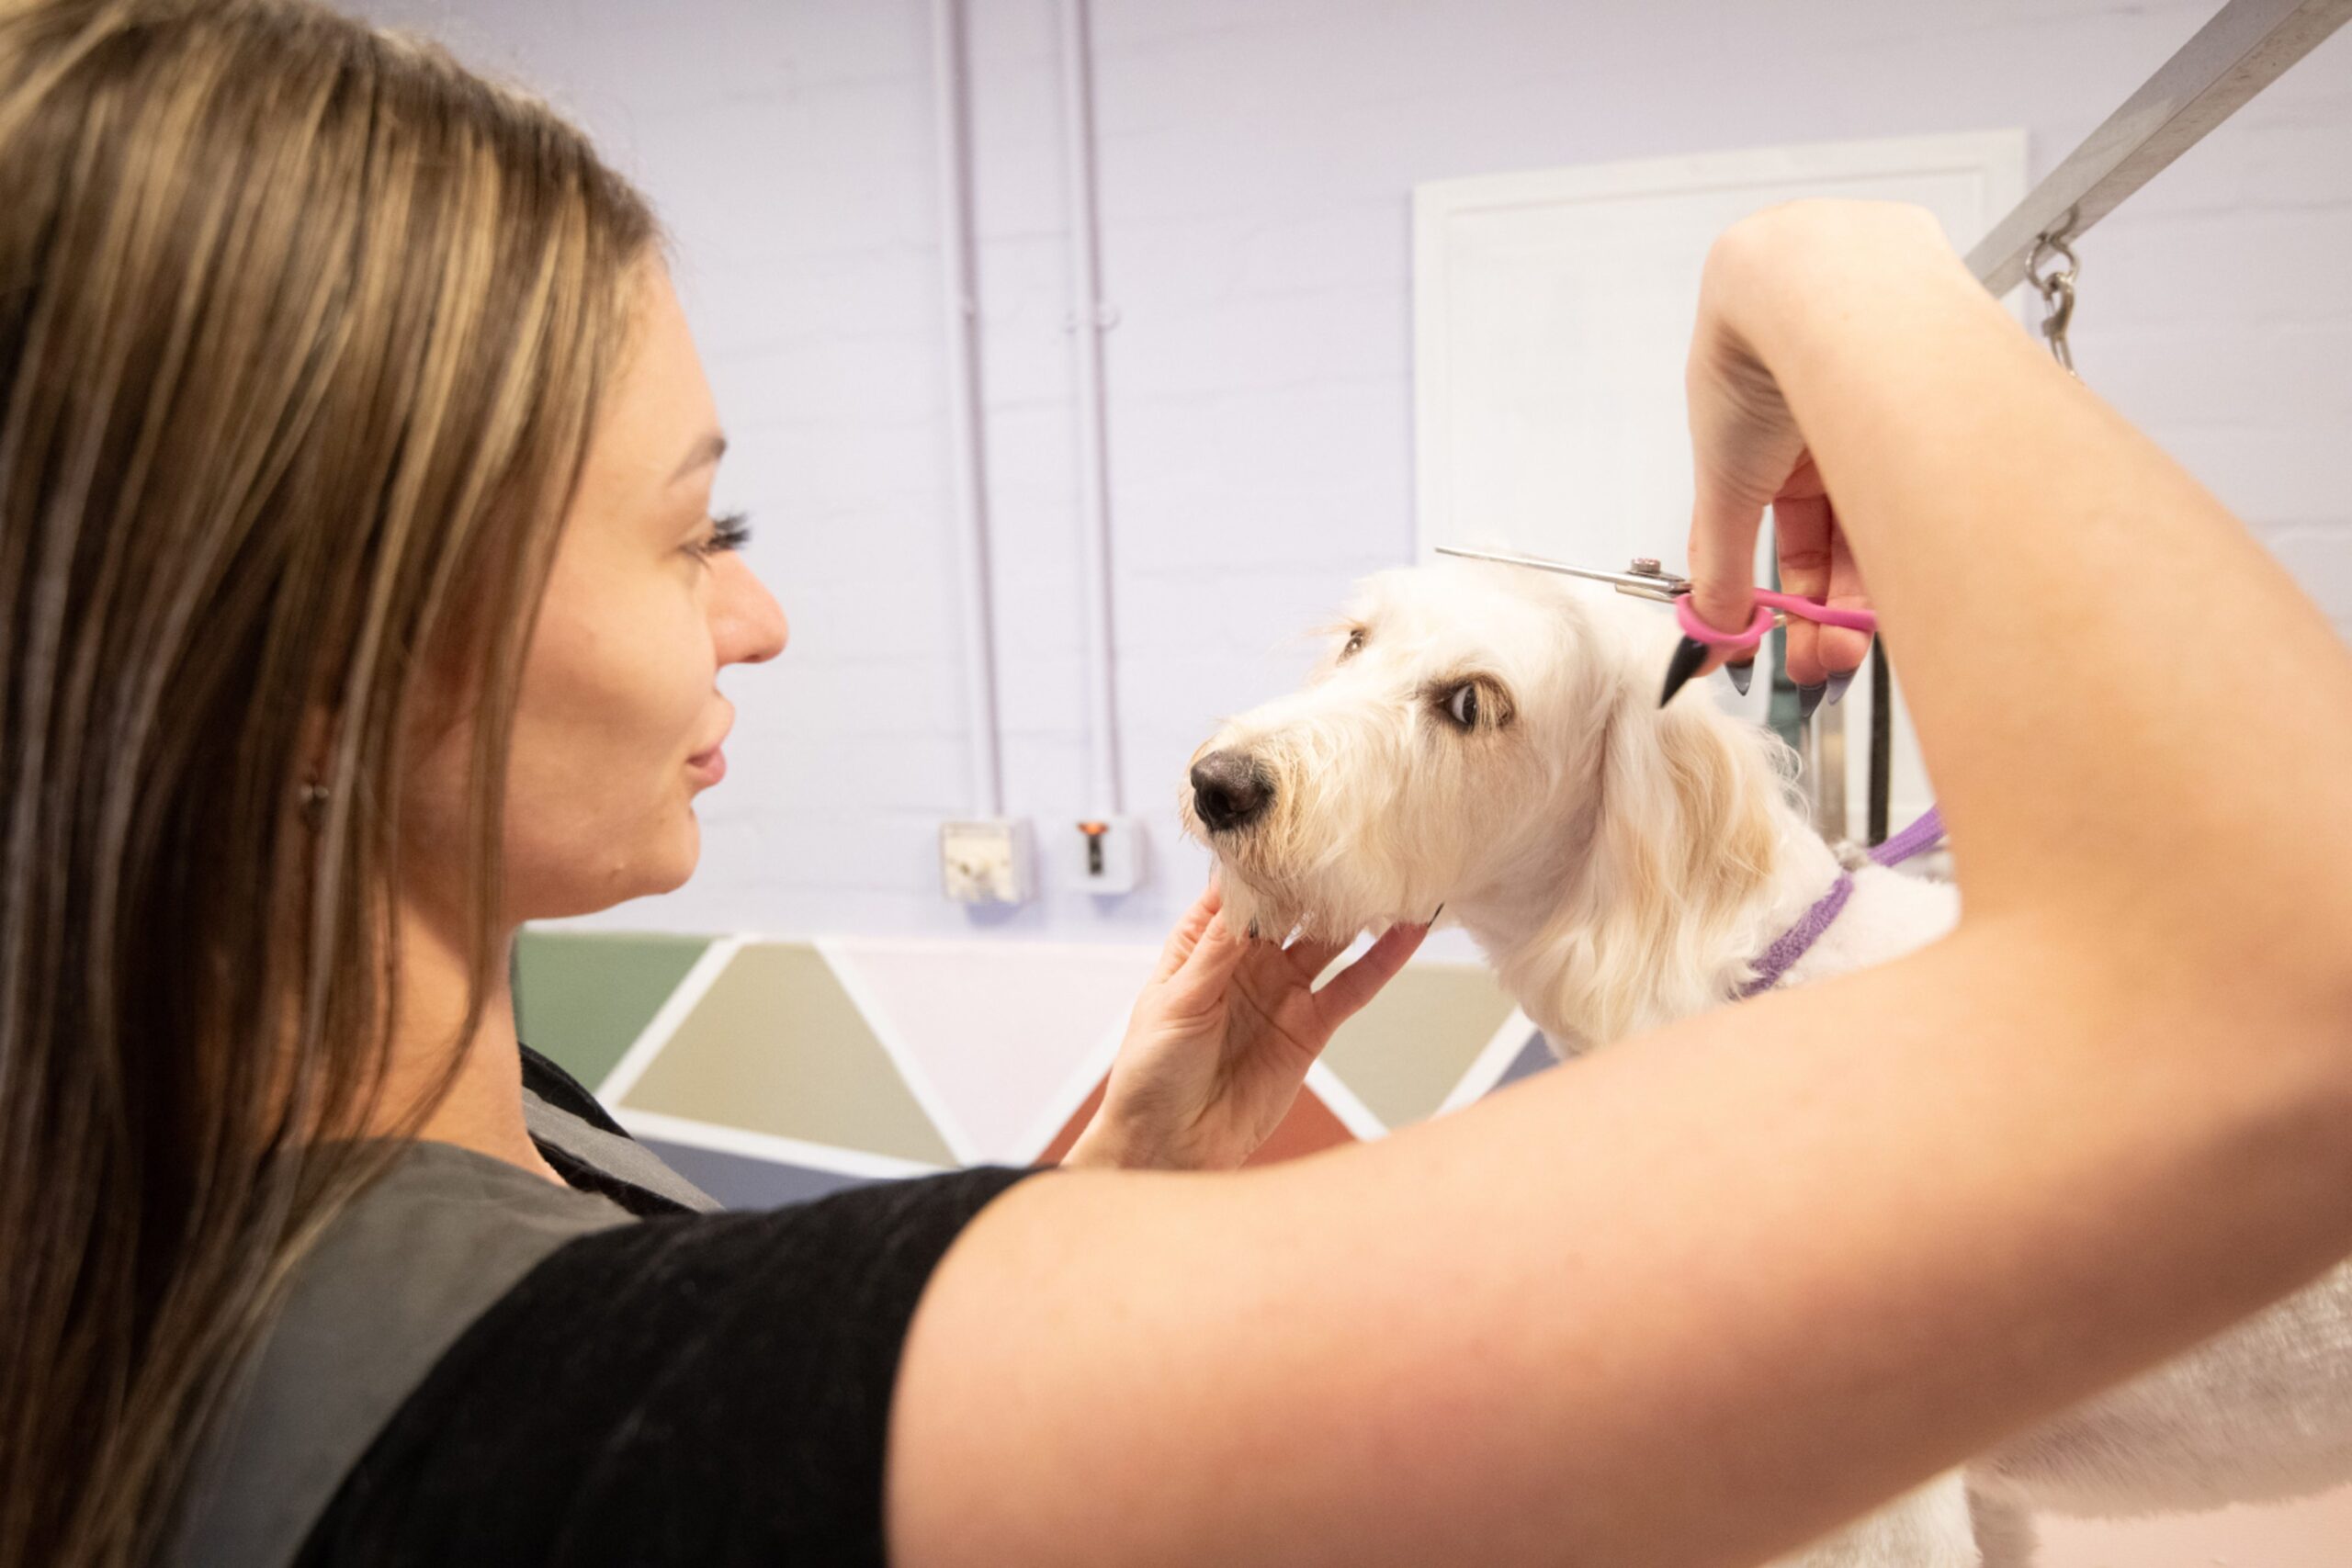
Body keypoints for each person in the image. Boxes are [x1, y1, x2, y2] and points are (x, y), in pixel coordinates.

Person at [1, 4, 2345, 1567]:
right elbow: (2283, 1002)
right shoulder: (502, 1406)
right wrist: (1829, 276)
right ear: (313, 677)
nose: (759, 618)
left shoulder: (278, 1194)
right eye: (695, 526)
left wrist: (1101, 1181)